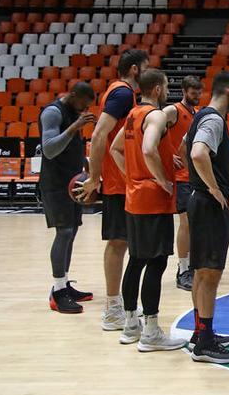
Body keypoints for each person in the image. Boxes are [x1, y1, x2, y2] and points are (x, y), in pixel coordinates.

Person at [109, 68, 186, 352]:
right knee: (156, 262)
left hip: (133, 197)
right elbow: (149, 149)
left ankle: (131, 325)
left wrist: (134, 176)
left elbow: (115, 149)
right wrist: (160, 179)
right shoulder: (156, 115)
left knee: (137, 260)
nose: (167, 92)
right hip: (153, 200)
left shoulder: (132, 115)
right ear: (156, 89)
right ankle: (151, 332)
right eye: (165, 86)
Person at [79, 48, 148, 331]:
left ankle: (119, 304)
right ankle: (111, 308)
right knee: (119, 243)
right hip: (118, 182)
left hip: (122, 179)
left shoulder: (119, 92)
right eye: (145, 67)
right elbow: (98, 134)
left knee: (124, 243)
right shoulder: (121, 94)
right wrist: (94, 177)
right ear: (134, 70)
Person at [184, 71, 229, 363]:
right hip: (208, 203)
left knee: (201, 271)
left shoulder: (200, 116)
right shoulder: (214, 119)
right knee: (210, 273)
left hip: (199, 200)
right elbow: (196, 153)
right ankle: (205, 343)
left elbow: (184, 147)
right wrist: (215, 189)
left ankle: (200, 331)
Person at [39, 81, 96, 313]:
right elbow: (49, 149)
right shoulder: (53, 113)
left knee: (71, 231)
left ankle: (64, 284)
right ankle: (57, 291)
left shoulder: (73, 112)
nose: (84, 109)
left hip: (72, 181)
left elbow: (72, 147)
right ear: (73, 95)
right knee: (63, 232)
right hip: (54, 183)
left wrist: (86, 166)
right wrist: (74, 127)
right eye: (83, 103)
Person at [164, 75, 202, 291]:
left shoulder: (196, 114)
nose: (196, 96)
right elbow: (153, 129)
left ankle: (192, 265)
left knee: (195, 224)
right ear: (184, 91)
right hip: (180, 177)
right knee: (185, 223)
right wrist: (168, 154)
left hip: (193, 176)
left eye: (199, 92)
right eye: (193, 92)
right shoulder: (173, 111)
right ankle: (183, 269)